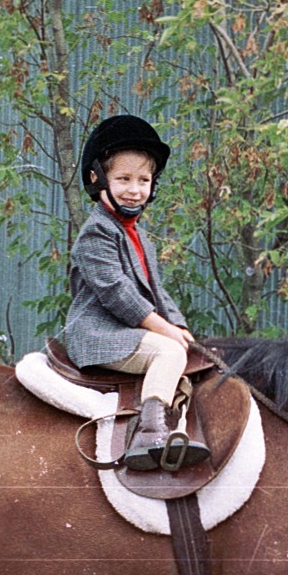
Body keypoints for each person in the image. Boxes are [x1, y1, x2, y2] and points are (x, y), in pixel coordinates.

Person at [61, 114, 209, 471]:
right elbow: (118, 294)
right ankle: (149, 434)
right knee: (168, 353)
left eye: (143, 180)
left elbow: (158, 291)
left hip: (128, 331)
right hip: (100, 334)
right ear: (98, 179)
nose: (135, 189)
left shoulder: (138, 235)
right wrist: (167, 332)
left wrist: (180, 325)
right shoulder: (96, 233)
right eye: (123, 179)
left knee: (189, 352)